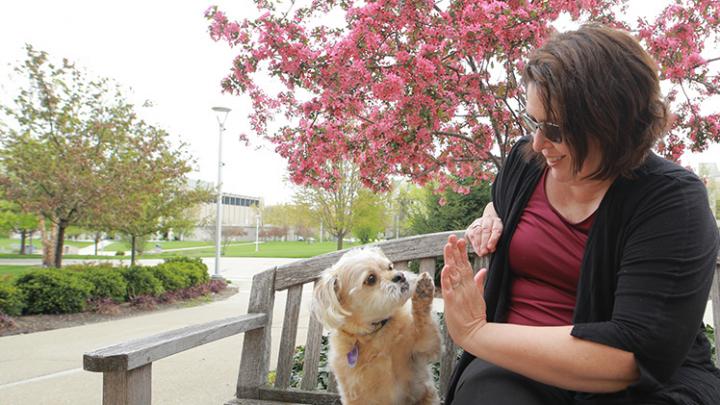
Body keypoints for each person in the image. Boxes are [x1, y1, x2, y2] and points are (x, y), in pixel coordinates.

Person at [440, 24, 720, 405]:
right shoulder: (525, 165)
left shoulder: (671, 201)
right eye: (534, 122)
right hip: (515, 365)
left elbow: (630, 358)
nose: (538, 143)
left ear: (611, 124)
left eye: (554, 129)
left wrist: (475, 333)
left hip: (638, 383)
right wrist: (490, 214)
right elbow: (502, 206)